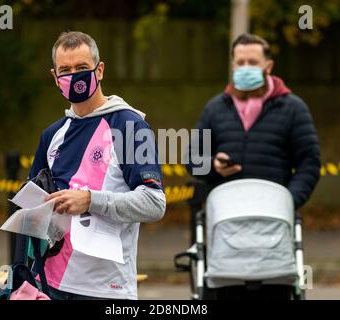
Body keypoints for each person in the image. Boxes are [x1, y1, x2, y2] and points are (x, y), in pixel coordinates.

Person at [26, 31, 166, 300]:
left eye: (82, 68)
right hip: (49, 283)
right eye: (65, 70)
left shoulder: (130, 127)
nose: (74, 76)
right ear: (55, 78)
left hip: (105, 289)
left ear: (99, 70)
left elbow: (154, 203)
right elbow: (35, 208)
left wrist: (90, 200)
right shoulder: (51, 135)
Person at [186, 33, 321, 299]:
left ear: (268, 66)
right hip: (226, 231)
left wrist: (288, 201)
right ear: (233, 65)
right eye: (240, 62)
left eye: (252, 62)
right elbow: (192, 158)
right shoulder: (215, 108)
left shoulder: (293, 109)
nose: (245, 68)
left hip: (273, 227)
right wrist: (213, 165)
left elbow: (309, 162)